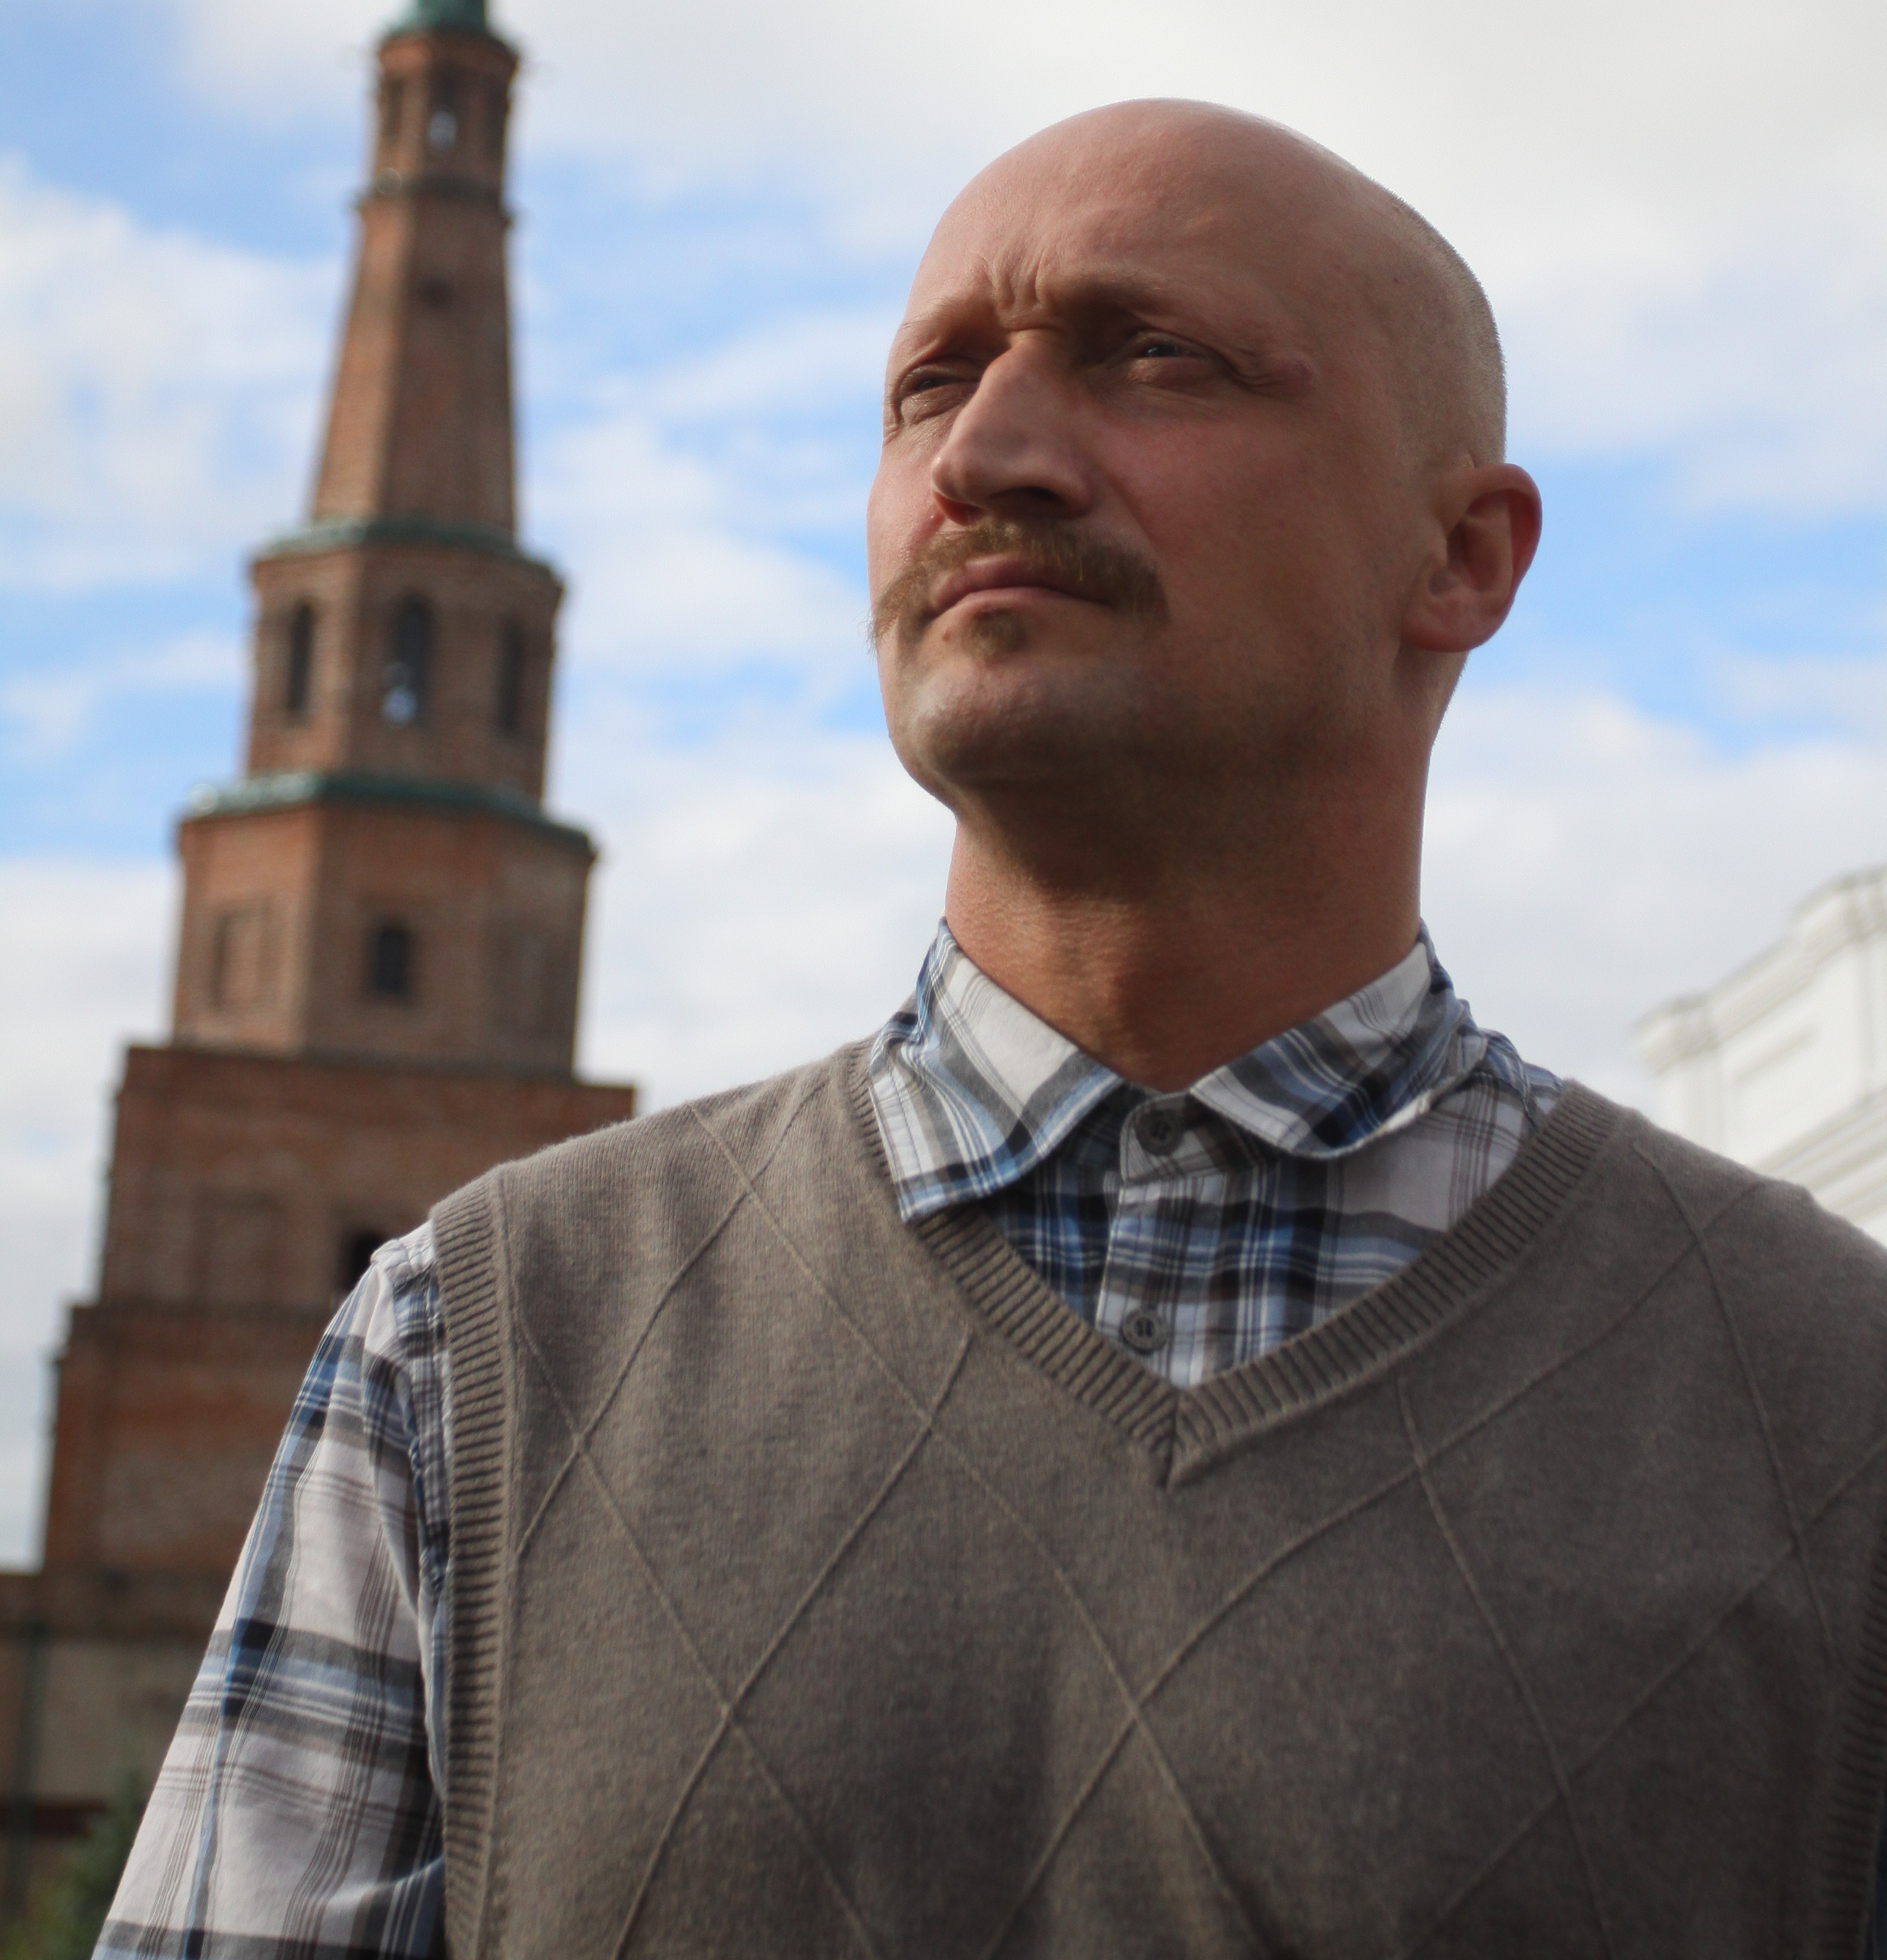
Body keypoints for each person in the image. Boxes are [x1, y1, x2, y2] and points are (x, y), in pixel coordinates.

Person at [104, 102, 1887, 1956]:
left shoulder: (1831, 1406)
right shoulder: (471, 1355)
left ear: (1462, 553)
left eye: (1155, 358)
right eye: (928, 388)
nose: (986, 455)